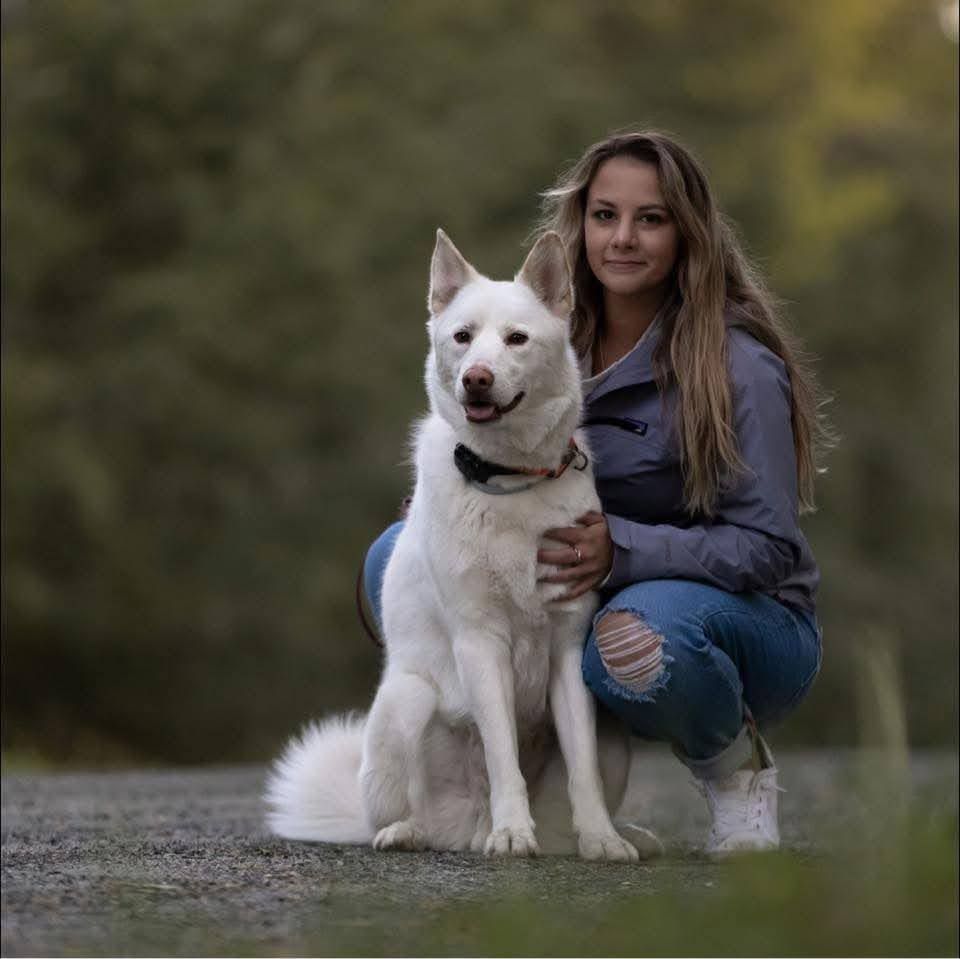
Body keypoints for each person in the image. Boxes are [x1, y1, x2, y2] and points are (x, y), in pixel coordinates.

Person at [360, 129, 829, 857]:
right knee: (399, 557)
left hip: (742, 618)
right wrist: (452, 496)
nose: (623, 238)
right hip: (601, 580)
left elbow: (768, 548)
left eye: (652, 218)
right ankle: (489, 780)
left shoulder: (738, 366)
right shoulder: (540, 325)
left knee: (630, 639)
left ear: (689, 233)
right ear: (579, 225)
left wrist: (622, 550)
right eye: (605, 214)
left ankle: (736, 772)